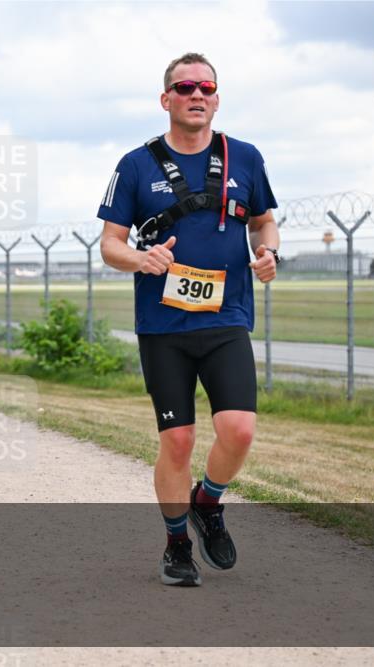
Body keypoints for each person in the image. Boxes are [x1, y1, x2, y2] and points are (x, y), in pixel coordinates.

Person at [97, 53, 280, 587]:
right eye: (184, 88)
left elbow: (265, 224)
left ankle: (208, 502)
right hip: (163, 325)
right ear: (167, 99)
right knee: (177, 440)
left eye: (206, 87)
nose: (196, 95)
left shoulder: (245, 157)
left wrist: (268, 255)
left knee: (239, 430)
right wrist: (142, 258)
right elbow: (110, 244)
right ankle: (177, 543)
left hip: (226, 317)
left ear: (216, 98)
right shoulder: (135, 164)